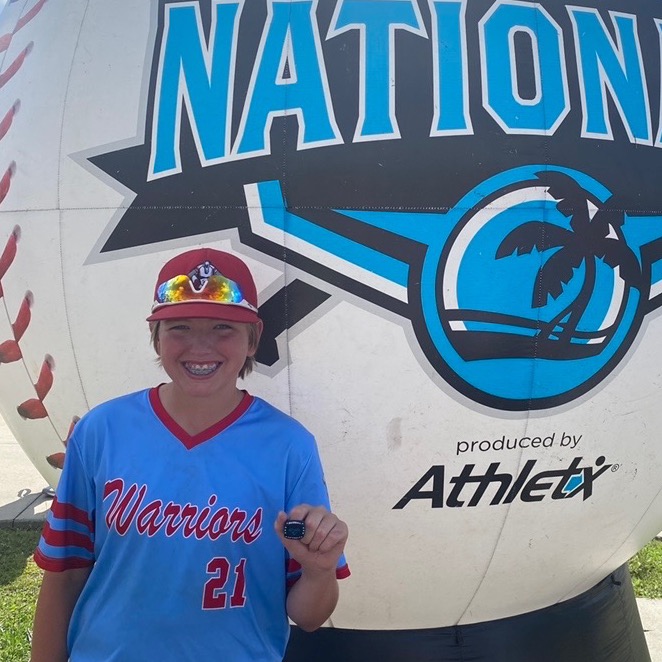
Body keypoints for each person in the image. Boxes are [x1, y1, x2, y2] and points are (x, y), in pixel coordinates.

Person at [31, 247, 350, 662]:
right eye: (179, 327)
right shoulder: (102, 431)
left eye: (223, 327)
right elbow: (65, 574)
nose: (200, 346)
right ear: (156, 336)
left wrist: (319, 570)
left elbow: (308, 617)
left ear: (253, 338)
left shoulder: (290, 446)